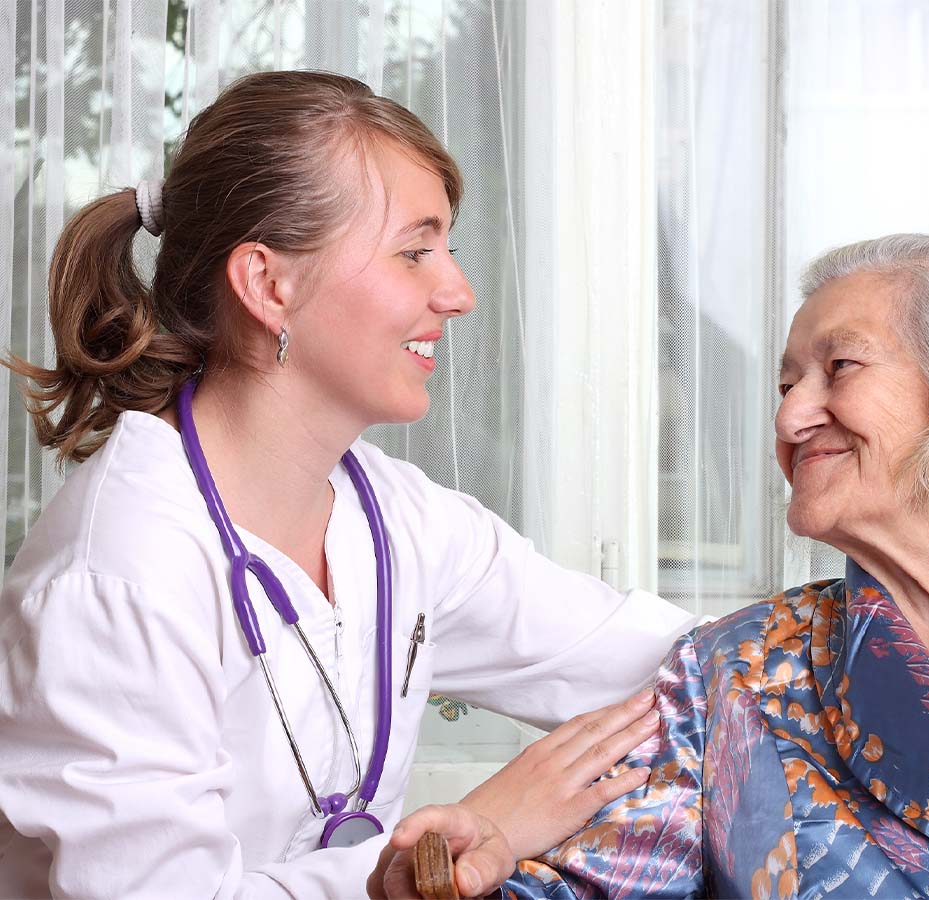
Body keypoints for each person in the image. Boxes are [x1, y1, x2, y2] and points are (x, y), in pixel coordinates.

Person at [0, 70, 696, 899]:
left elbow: (656, 665)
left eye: (451, 249)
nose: (459, 293)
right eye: (414, 251)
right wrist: (448, 849)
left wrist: (878, 574)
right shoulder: (116, 577)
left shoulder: (395, 518)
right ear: (267, 283)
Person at [498, 234, 929, 900]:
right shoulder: (736, 671)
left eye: (839, 368)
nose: (790, 418)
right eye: (785, 386)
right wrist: (460, 874)